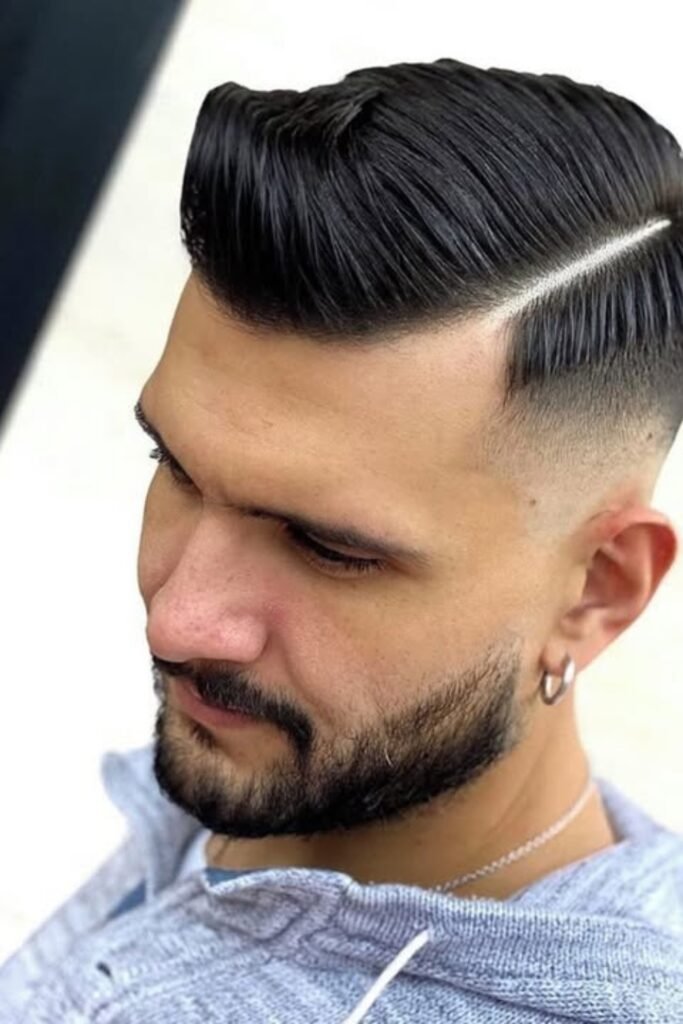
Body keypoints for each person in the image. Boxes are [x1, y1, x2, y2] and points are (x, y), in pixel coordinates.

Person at [2, 55, 683, 1024]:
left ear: (597, 589)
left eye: (328, 548)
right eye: (175, 466)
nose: (177, 620)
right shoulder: (291, 768)